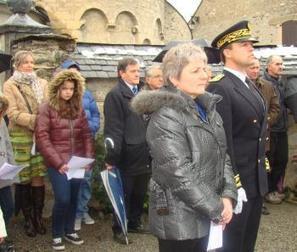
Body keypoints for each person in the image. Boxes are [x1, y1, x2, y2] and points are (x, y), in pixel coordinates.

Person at [131, 43, 237, 252]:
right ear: (173, 78)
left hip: (210, 211)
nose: (205, 75)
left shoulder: (208, 107)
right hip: (180, 220)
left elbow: (222, 155)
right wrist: (217, 208)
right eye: (196, 70)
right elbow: (178, 173)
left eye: (205, 68)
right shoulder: (166, 115)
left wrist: (227, 195)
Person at [207, 21, 268, 252]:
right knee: (231, 246)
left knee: (247, 243)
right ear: (227, 52)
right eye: (244, 44)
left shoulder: (248, 85)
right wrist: (232, 186)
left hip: (255, 182)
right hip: (237, 186)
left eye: (251, 44)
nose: (251, 48)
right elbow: (221, 143)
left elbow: (257, 136)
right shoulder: (220, 87)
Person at [35, 70, 94, 251]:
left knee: (74, 198)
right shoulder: (47, 108)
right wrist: (59, 163)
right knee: (62, 198)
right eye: (64, 88)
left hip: (76, 161)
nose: (68, 92)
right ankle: (56, 234)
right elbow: (42, 137)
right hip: (58, 163)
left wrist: (88, 159)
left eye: (71, 88)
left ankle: (69, 231)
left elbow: (86, 135)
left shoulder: (78, 108)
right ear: (57, 89)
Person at [104, 57, 151, 244]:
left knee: (140, 192)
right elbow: (113, 129)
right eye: (133, 71)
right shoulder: (115, 95)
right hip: (127, 155)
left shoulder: (141, 91)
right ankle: (118, 228)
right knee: (124, 193)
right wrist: (111, 158)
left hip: (144, 151)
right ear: (121, 73)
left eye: (138, 71)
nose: (137, 74)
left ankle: (134, 222)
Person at [3, 50, 48, 237]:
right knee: (25, 177)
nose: (30, 65)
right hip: (20, 136)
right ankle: (27, 219)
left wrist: (45, 121)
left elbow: (49, 106)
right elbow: (11, 113)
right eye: (26, 62)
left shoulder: (43, 83)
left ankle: (38, 217)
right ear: (17, 64)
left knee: (39, 176)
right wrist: (35, 120)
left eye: (32, 61)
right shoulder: (10, 84)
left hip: (40, 135)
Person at [60, 59, 100, 231]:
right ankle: (73, 215)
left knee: (87, 180)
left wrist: (91, 127)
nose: (75, 74)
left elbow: (96, 115)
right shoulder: (62, 96)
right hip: (71, 145)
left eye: (78, 71)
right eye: (71, 71)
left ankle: (82, 211)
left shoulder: (88, 94)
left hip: (87, 141)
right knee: (74, 180)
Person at [246, 58, 280, 215]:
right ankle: (247, 200)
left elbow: (275, 108)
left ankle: (260, 202)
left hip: (264, 138)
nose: (255, 70)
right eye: (252, 67)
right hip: (247, 139)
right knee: (248, 171)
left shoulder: (267, 86)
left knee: (263, 169)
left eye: (258, 67)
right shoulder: (241, 87)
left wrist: (266, 122)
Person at [262, 55, 288, 204]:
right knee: (269, 162)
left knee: (282, 160)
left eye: (282, 64)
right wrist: (268, 123)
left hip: (282, 128)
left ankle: (271, 189)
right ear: (268, 66)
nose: (281, 67)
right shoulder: (263, 83)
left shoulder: (281, 83)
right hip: (271, 130)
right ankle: (267, 192)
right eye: (277, 64)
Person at [0, 95, 15, 251]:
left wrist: (11, 167)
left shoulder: (1, 120)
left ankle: (2, 235)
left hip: (2, 174)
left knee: (8, 207)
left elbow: (7, 144)